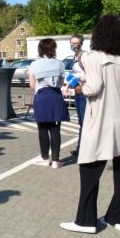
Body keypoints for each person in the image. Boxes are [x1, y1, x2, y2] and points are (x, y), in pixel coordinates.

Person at [61, 15, 120, 234]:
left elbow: (94, 88)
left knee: (90, 168)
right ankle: (118, 218)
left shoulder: (94, 56)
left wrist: (78, 88)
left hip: (101, 118)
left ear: (98, 34)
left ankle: (86, 221)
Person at [28, 38, 68, 169]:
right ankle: (56, 161)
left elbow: (32, 85)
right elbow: (62, 82)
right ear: (53, 48)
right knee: (55, 130)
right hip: (55, 97)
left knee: (43, 129)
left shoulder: (34, 64)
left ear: (40, 49)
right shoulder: (60, 64)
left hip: (41, 97)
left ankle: (44, 158)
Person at [66, 34, 88, 157]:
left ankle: (83, 150)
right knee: (81, 121)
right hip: (78, 91)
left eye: (77, 43)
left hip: (85, 92)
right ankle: (81, 149)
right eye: (73, 43)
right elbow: (74, 74)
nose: (75, 45)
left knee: (85, 122)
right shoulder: (74, 57)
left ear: (81, 43)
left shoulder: (84, 56)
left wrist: (77, 80)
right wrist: (70, 84)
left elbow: (89, 74)